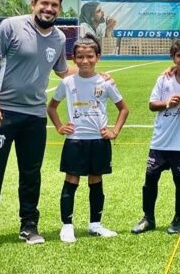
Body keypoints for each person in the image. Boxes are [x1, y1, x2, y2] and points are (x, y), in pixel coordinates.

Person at [0, 0, 71, 249]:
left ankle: (29, 225)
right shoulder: (11, 26)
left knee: (31, 173)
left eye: (54, 5)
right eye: (44, 3)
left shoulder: (59, 38)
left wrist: (97, 76)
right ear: (34, 4)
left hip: (35, 116)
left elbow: (64, 72)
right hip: (2, 113)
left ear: (60, 8)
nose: (49, 9)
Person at [47, 34, 129, 243]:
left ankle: (95, 224)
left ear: (98, 57)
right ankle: (67, 226)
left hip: (99, 141)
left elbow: (123, 109)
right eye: (80, 57)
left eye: (90, 57)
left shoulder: (106, 82)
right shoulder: (67, 82)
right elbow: (52, 107)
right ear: (73, 58)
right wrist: (59, 126)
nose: (85, 61)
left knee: (96, 180)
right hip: (75, 140)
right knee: (71, 180)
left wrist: (114, 131)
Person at [131, 39, 180, 234]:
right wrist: (167, 103)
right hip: (160, 141)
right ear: (173, 58)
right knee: (150, 179)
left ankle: (178, 219)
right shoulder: (164, 80)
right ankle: (148, 218)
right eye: (179, 56)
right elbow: (152, 104)